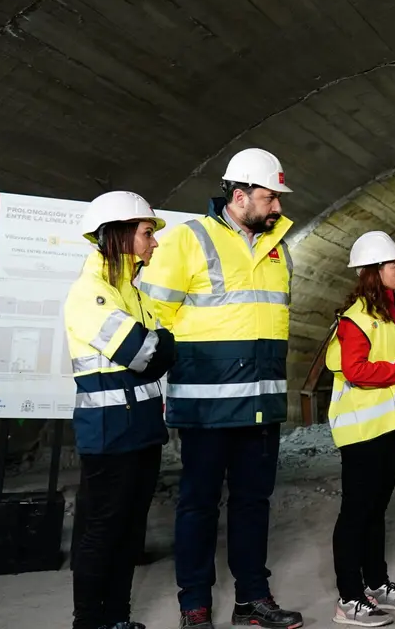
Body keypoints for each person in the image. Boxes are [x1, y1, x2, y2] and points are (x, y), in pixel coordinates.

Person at [138, 148, 303, 629]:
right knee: (198, 505)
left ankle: (252, 598)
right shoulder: (188, 239)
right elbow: (153, 317)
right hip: (205, 407)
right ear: (239, 195)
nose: (277, 208)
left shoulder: (278, 248)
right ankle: (195, 604)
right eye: (270, 198)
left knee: (254, 504)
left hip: (260, 405)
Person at [64, 191, 174, 629]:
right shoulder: (89, 293)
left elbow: (161, 348)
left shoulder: (130, 292)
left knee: (129, 533)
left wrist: (161, 347)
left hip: (142, 431)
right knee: (101, 532)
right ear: (120, 237)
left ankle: (119, 619)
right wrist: (160, 347)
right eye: (148, 233)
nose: (154, 243)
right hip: (109, 435)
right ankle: (89, 623)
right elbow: (147, 352)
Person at [324, 230, 395, 627]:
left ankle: (376, 583)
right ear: (374, 271)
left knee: (377, 509)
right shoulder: (356, 320)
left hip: (387, 425)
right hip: (362, 431)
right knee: (356, 511)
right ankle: (349, 598)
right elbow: (356, 370)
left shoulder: (390, 313)